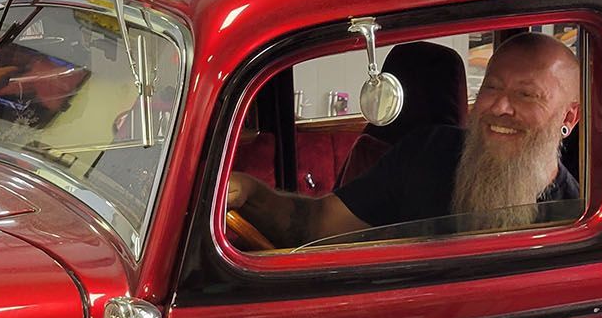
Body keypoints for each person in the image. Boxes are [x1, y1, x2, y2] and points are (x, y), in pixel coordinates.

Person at [226, 32, 582, 247]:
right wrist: (251, 194)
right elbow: (317, 225)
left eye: (527, 95)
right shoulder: (430, 152)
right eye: (491, 88)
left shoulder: (577, 218)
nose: (501, 106)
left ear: (568, 117)